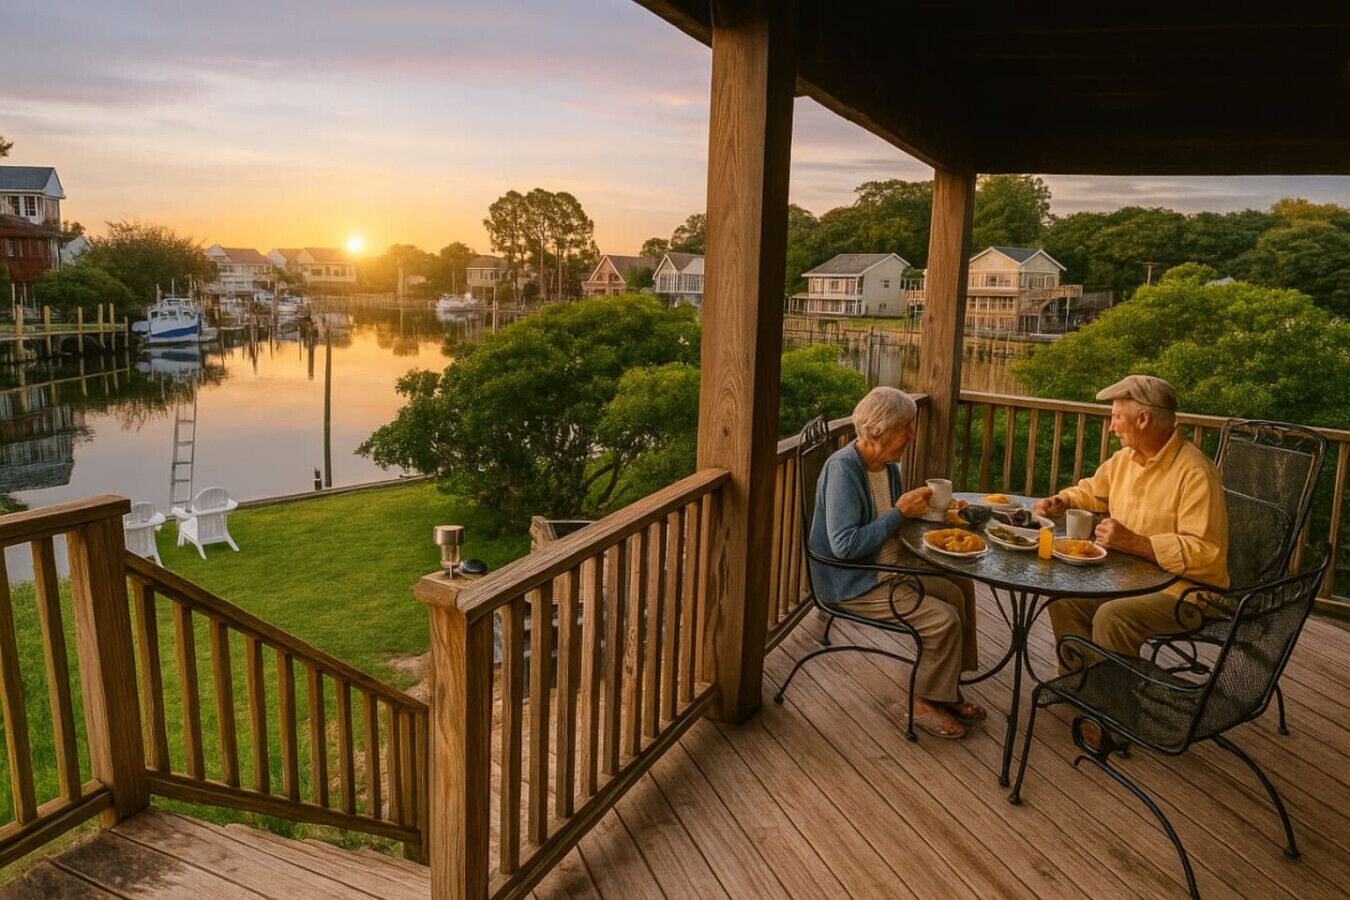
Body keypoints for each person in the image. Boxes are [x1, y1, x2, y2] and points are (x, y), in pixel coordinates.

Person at [809, 386, 984, 739]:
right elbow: (845, 546)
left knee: (961, 584)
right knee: (942, 619)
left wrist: (932, 511)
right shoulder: (843, 470)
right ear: (879, 429)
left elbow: (895, 520)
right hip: (854, 581)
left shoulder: (888, 467)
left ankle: (944, 688)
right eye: (907, 426)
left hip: (889, 564)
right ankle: (923, 700)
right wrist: (900, 512)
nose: (913, 434)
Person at [1032, 375, 1228, 668]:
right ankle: (1080, 682)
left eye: (1116, 418)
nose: (1111, 427)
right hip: (1128, 581)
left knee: (1113, 616)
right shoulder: (1126, 459)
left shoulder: (1196, 473)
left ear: (1144, 419)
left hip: (1185, 594)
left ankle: (1111, 702)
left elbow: (1207, 554)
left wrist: (1140, 544)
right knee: (1064, 597)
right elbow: (1094, 491)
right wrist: (1065, 500)